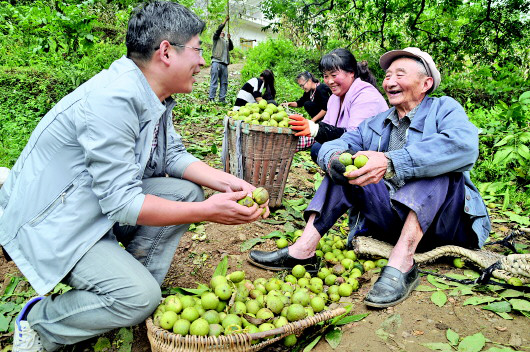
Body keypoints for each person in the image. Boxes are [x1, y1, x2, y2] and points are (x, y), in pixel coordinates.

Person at [1, 2, 269, 351]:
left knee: (186, 192)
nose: (203, 61)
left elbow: (171, 155)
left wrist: (228, 182)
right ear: (166, 52)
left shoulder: (152, 93)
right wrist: (209, 212)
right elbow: (123, 202)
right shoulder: (112, 100)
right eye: (198, 49)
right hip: (56, 224)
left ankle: (131, 282)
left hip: (91, 206)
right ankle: (42, 321)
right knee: (139, 298)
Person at [248, 47, 491, 308]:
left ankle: (402, 263)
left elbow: (464, 147)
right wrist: (335, 160)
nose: (390, 81)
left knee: (436, 167)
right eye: (387, 75)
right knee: (344, 168)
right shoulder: (376, 122)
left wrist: (390, 162)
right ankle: (302, 251)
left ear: (426, 83)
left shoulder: (445, 108)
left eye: (400, 74)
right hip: (394, 219)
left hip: (446, 225)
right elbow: (336, 144)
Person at [288, 49, 388, 161]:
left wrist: (315, 129)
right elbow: (327, 127)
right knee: (317, 147)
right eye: (326, 76)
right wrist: (301, 135)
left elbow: (357, 138)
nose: (330, 81)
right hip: (343, 148)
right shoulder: (334, 99)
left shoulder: (366, 96)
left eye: (334, 75)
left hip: (370, 155)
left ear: (351, 73)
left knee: (319, 148)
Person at [208, 15, 233, 103]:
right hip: (216, 62)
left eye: (223, 32)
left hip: (224, 64)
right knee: (214, 81)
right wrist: (225, 20)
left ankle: (222, 99)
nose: (222, 32)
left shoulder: (226, 42)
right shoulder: (216, 38)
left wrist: (230, 39)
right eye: (221, 31)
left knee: (224, 83)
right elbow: (218, 29)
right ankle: (211, 98)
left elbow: (231, 48)